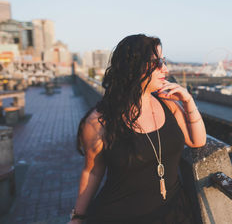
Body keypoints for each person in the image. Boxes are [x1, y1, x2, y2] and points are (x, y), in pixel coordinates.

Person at [69, 34, 207, 223]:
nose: (164, 68)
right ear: (133, 66)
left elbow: (197, 141)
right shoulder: (100, 121)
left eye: (163, 61)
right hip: (119, 216)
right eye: (156, 62)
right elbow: (92, 171)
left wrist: (189, 102)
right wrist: (77, 217)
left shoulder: (169, 104)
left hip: (174, 214)